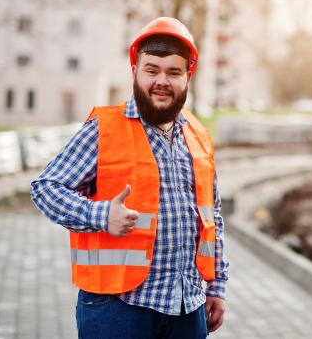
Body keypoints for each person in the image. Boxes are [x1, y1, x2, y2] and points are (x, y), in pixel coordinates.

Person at [31, 17, 228, 339]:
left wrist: (216, 285)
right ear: (135, 71)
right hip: (117, 309)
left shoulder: (199, 136)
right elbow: (45, 189)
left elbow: (212, 217)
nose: (162, 81)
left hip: (187, 309)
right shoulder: (104, 130)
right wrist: (100, 214)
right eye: (152, 70)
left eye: (173, 72)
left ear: (188, 76)